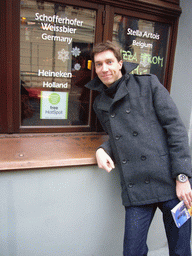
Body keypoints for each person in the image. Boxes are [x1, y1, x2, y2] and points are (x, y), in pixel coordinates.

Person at [85, 41, 192, 256]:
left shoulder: (148, 84)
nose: (104, 69)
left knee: (180, 249)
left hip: (172, 182)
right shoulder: (100, 104)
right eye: (98, 64)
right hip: (136, 187)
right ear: (94, 69)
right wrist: (102, 149)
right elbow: (118, 137)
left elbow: (175, 129)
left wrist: (183, 177)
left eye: (109, 62)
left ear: (120, 63)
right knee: (132, 251)